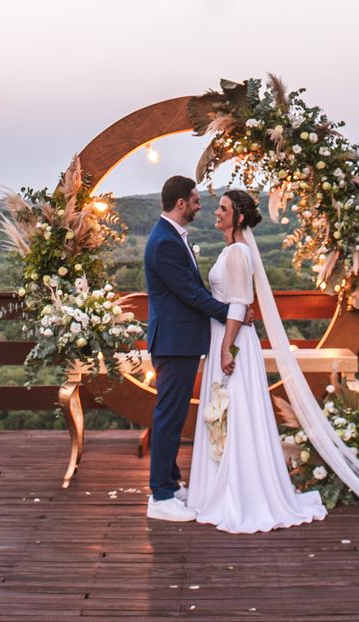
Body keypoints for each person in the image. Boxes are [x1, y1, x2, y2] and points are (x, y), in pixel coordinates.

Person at [186, 188, 326, 533]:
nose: (216, 213)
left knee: (234, 411)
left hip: (231, 340)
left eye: (223, 209)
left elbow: (237, 304)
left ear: (239, 217)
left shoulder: (237, 252)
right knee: (230, 411)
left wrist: (224, 348)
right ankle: (229, 485)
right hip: (229, 335)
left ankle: (239, 492)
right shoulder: (234, 250)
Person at [141, 174, 231, 521]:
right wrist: (230, 313)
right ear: (181, 204)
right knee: (168, 417)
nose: (199, 204)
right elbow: (190, 294)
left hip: (180, 342)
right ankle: (160, 496)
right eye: (195, 200)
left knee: (175, 415)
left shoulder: (171, 236)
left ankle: (172, 481)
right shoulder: (164, 242)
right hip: (174, 343)